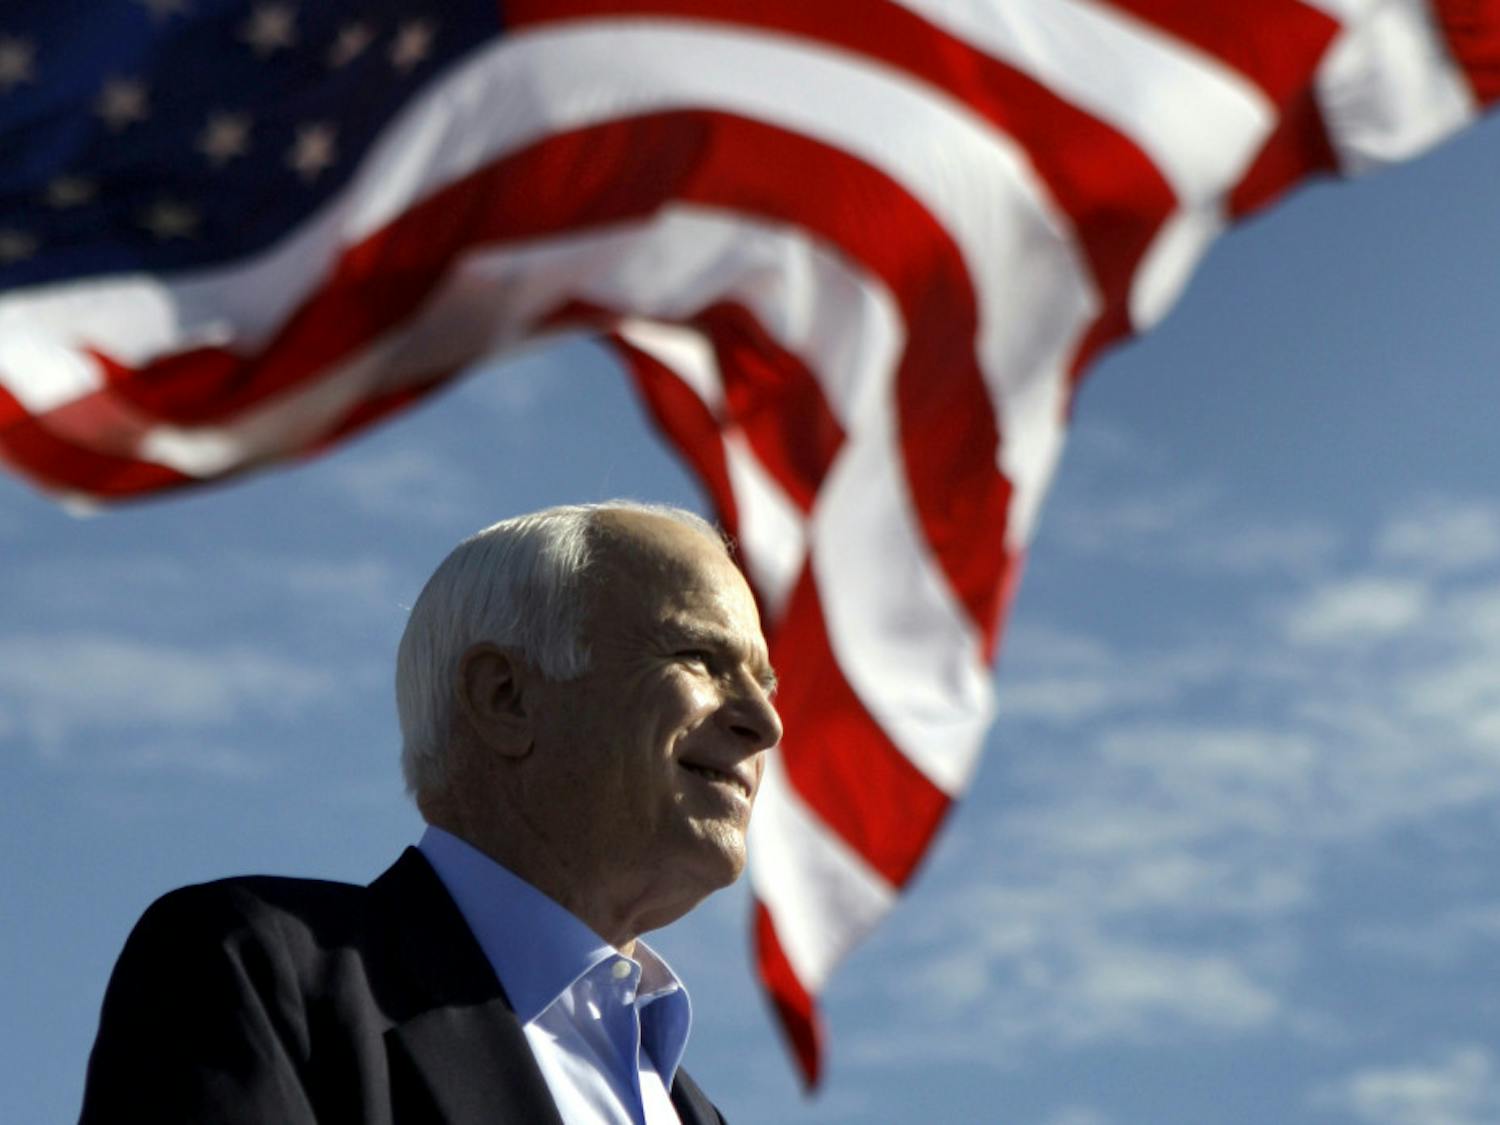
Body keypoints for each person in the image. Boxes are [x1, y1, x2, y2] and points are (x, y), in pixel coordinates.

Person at [79, 501, 783, 1124]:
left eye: (764, 680)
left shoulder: (692, 1108)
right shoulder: (256, 976)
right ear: (504, 697)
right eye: (699, 658)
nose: (766, 722)